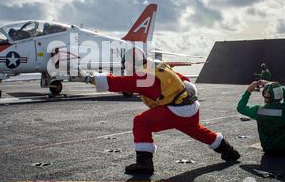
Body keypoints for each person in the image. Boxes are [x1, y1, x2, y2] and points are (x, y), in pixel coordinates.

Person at [84, 48, 240, 175]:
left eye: (126, 65)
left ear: (130, 63)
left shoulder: (143, 76)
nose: (126, 68)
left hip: (173, 110)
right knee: (198, 131)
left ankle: (144, 163)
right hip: (191, 108)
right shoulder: (158, 65)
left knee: (141, 122)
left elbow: (119, 83)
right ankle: (229, 151)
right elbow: (183, 78)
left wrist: (89, 79)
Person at [237, 80, 285, 154]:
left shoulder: (258, 110)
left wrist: (248, 91)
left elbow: (240, 108)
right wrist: (273, 85)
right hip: (284, 148)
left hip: (268, 149)